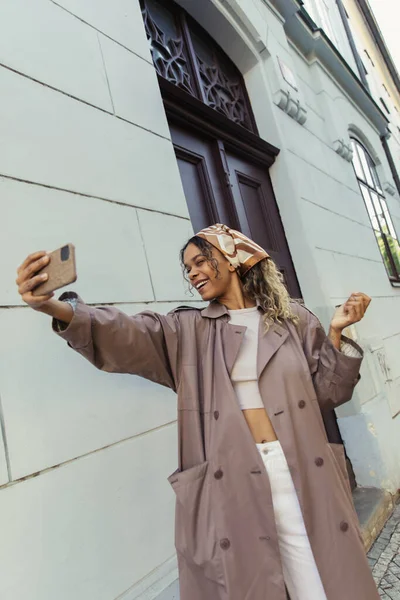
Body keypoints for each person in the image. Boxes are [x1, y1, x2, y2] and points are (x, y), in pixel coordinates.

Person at [16, 223, 378, 600]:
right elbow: (125, 332)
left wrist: (336, 332)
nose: (193, 273)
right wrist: (54, 307)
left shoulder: (295, 321)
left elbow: (328, 394)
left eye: (201, 261)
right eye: (188, 268)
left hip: (300, 467)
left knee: (319, 581)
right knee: (254, 584)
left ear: (234, 258)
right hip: (233, 479)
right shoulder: (188, 330)